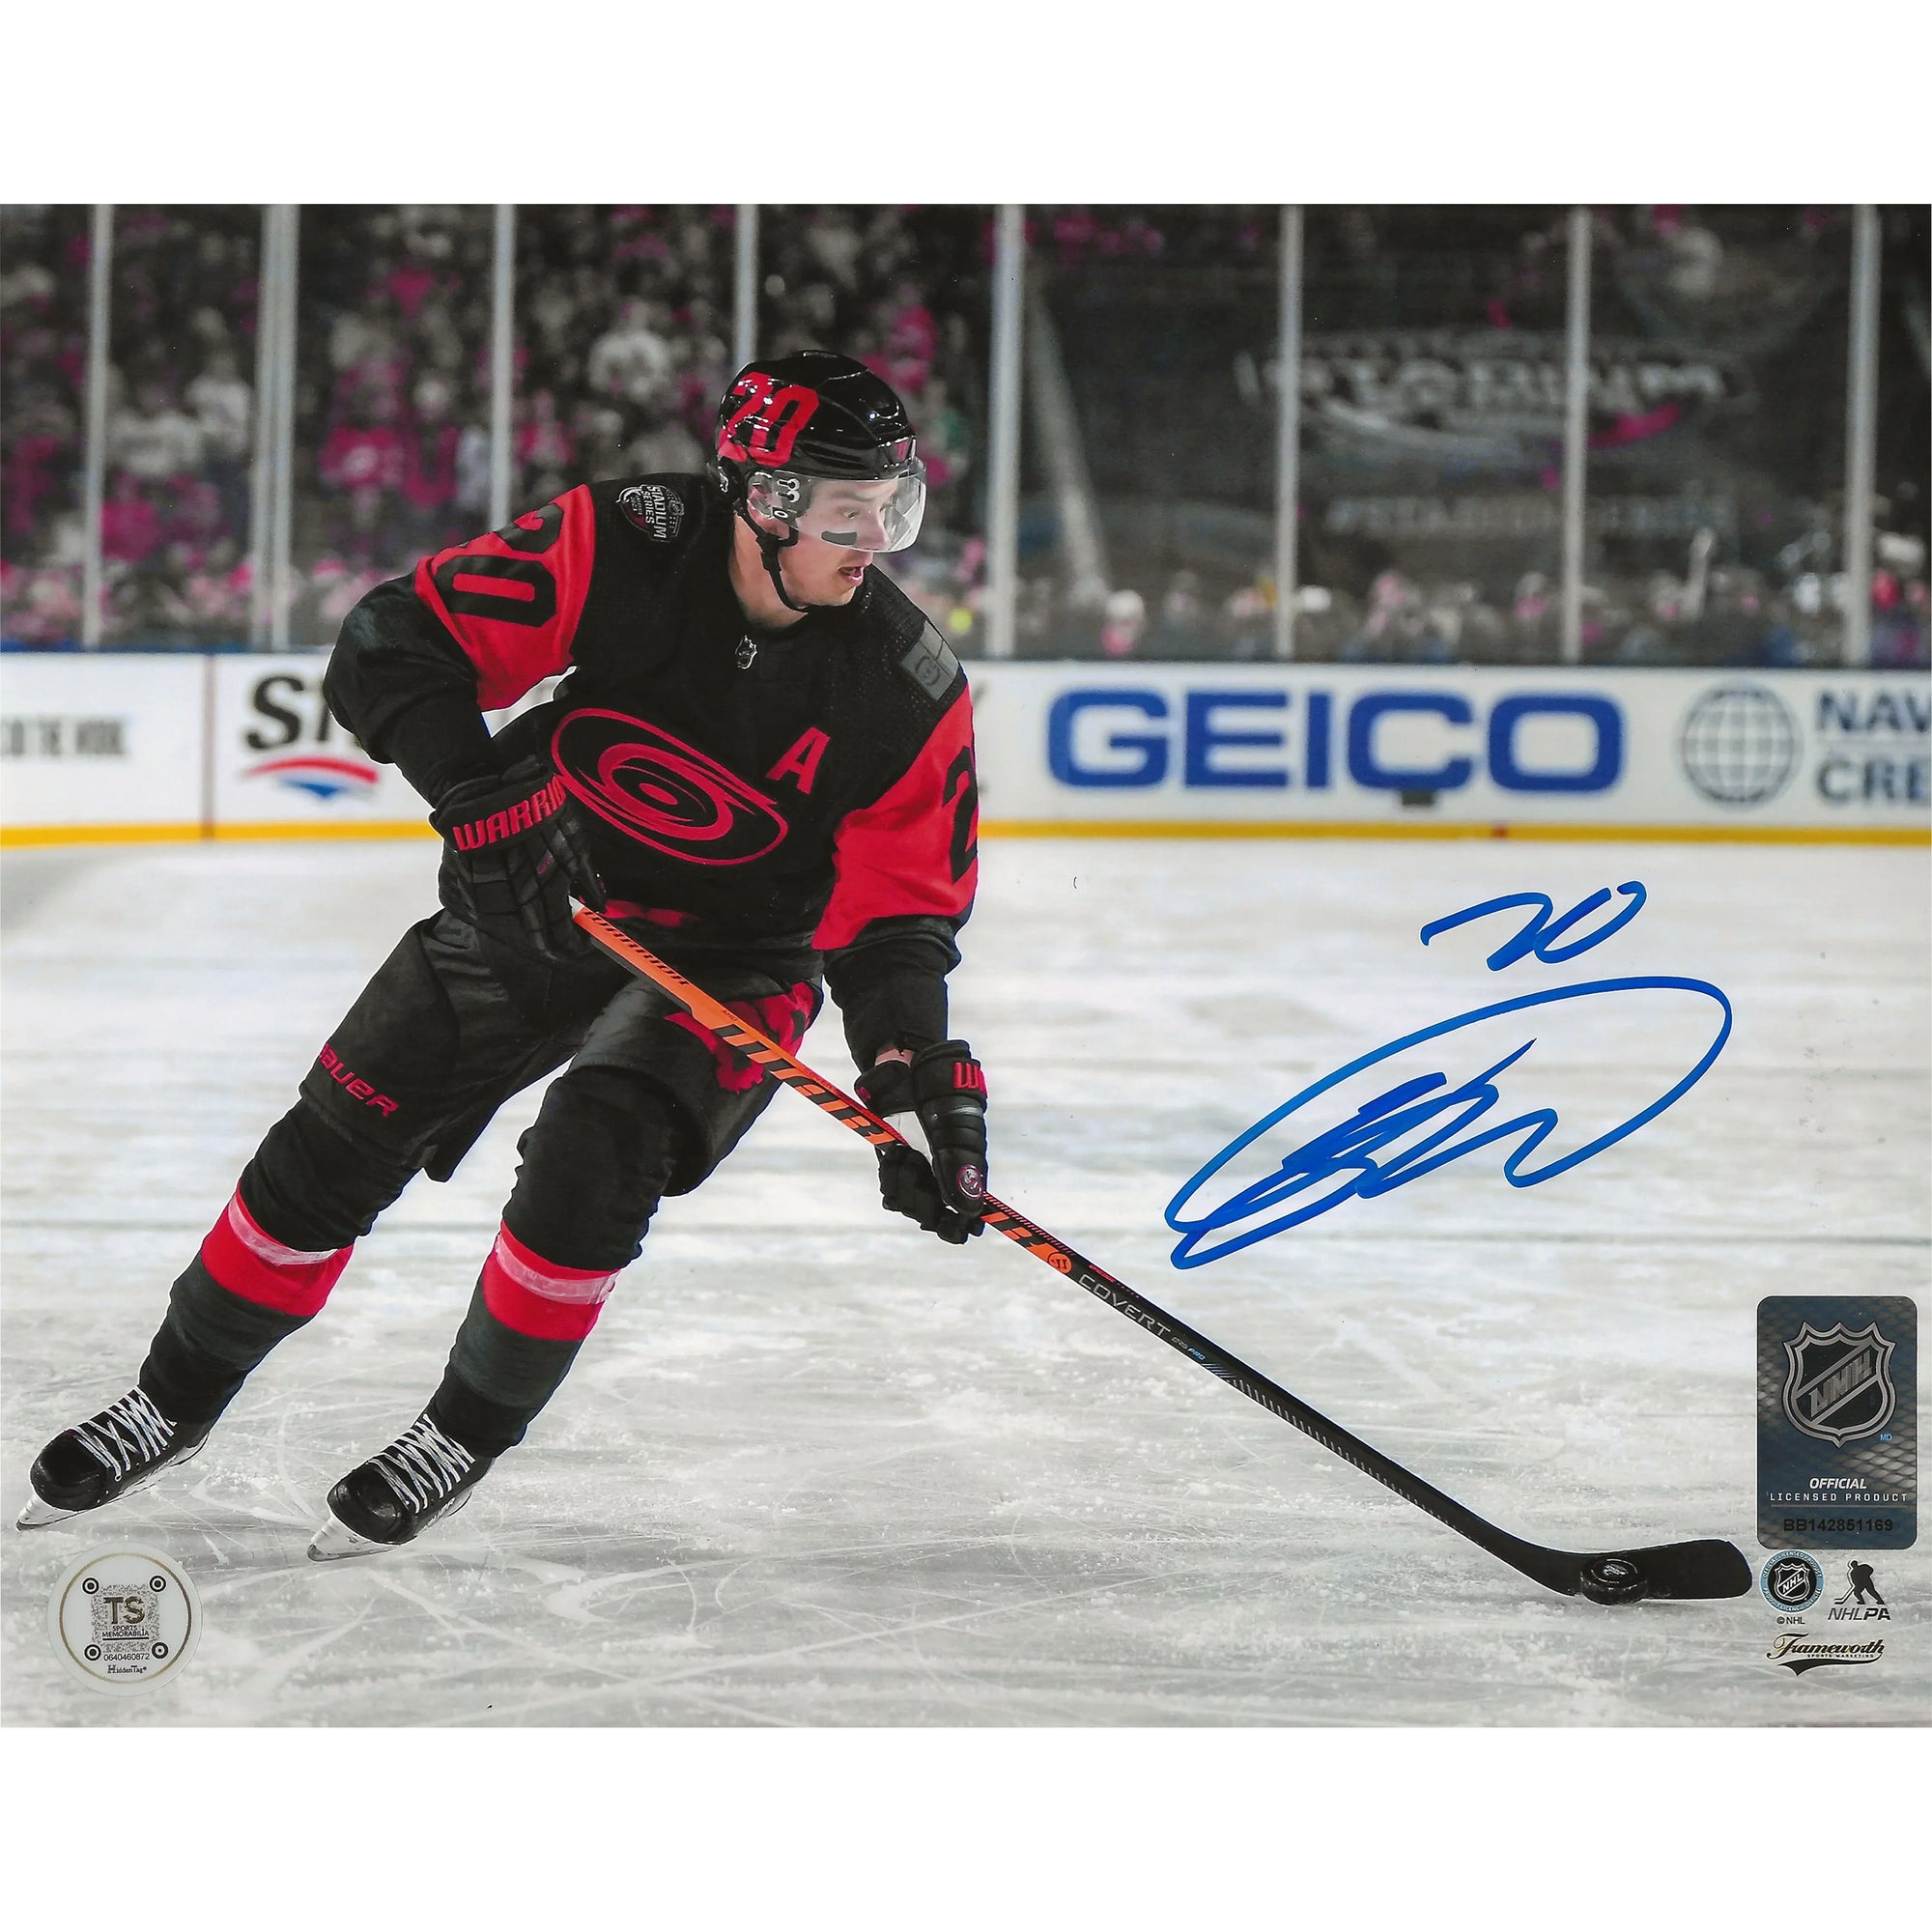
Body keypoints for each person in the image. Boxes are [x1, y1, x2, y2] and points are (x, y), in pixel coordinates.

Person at [17, 351, 988, 1559]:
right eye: (851, 511)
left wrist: (908, 1073)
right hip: (537, 897)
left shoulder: (902, 681)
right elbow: (390, 640)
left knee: (595, 1154)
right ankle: (169, 1399)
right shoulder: (627, 538)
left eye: (893, 509)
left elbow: (897, 915)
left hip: (733, 956)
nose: (876, 543)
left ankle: (461, 1432)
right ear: (762, 496)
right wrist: (479, 798)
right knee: (328, 1149)